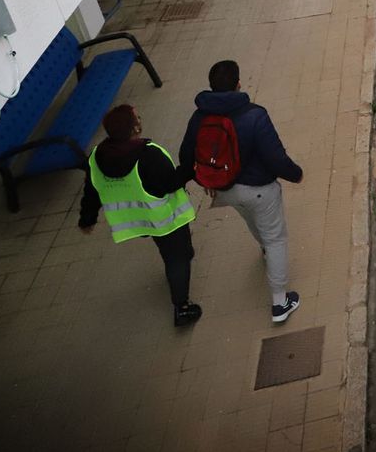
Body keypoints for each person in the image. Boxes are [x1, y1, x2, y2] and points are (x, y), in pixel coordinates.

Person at [180, 60, 306, 324]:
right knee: (276, 239)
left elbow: (185, 157)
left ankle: (264, 249)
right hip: (259, 190)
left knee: (251, 219)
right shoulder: (254, 115)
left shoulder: (199, 117)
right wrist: (296, 174)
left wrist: (206, 180)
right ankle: (280, 303)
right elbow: (275, 158)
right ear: (238, 84)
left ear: (211, 86)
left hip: (224, 190)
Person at [78, 104, 202, 327]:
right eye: (137, 117)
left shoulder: (97, 157)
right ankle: (182, 308)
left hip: (137, 219)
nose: (140, 119)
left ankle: (182, 257)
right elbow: (170, 183)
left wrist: (87, 220)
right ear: (135, 128)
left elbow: (91, 191)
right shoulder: (148, 155)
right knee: (177, 259)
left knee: (168, 247)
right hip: (165, 219)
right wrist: (192, 167)